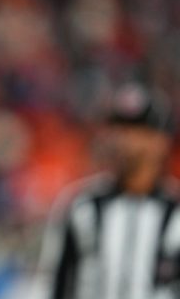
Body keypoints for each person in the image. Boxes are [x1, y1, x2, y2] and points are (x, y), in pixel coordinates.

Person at [37, 82, 180, 299]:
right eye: (117, 128)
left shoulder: (175, 214)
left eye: (135, 130)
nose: (122, 140)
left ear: (160, 141)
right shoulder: (81, 205)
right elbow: (56, 283)